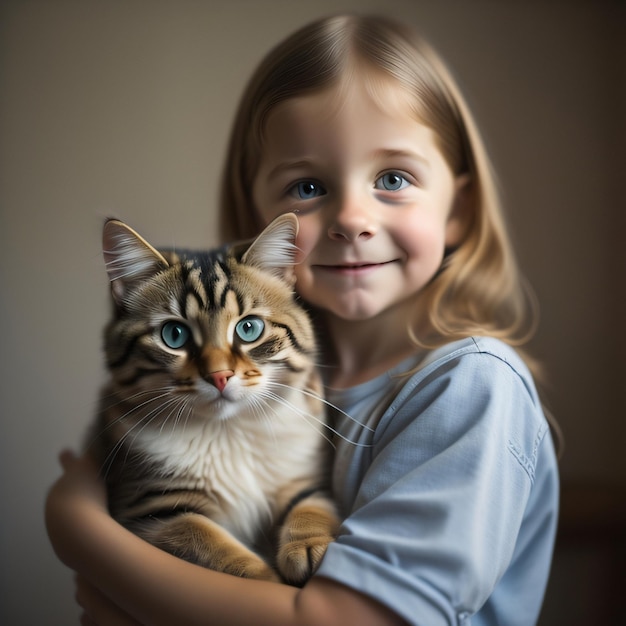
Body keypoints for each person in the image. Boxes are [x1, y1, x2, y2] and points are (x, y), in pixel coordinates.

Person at [45, 14, 559, 626]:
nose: (351, 217)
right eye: (309, 185)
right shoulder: (296, 378)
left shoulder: (473, 386)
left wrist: (78, 529)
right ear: (259, 216)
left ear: (459, 209)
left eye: (393, 178)